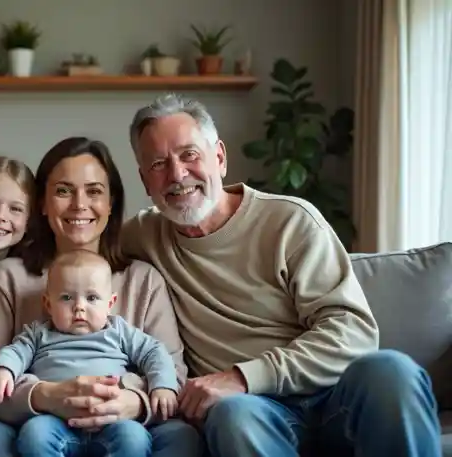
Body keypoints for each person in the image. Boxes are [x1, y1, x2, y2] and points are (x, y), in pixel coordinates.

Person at [122, 93, 442, 457]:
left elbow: (353, 332)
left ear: (220, 157)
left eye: (190, 154)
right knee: (232, 415)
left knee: (392, 371)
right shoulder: (141, 236)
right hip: (254, 411)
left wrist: (243, 377)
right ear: (145, 182)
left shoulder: (290, 222)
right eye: (159, 164)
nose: (177, 174)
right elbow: (77, 252)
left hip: (333, 396)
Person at [0, 136, 202, 457]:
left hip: (125, 421)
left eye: (94, 191)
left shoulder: (143, 279)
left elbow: (170, 370)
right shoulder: (9, 276)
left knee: (182, 438)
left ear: (111, 203)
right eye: (63, 191)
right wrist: (44, 395)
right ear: (43, 204)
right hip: (38, 424)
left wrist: (129, 399)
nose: (79, 204)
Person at [0, 249, 180, 457]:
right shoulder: (38, 334)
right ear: (48, 304)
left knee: (134, 438)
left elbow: (154, 352)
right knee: (34, 435)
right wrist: (3, 369)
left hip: (113, 420)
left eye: (92, 298)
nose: (79, 307)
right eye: (66, 297)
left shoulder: (119, 331)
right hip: (54, 418)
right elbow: (14, 352)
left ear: (110, 304)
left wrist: (163, 386)